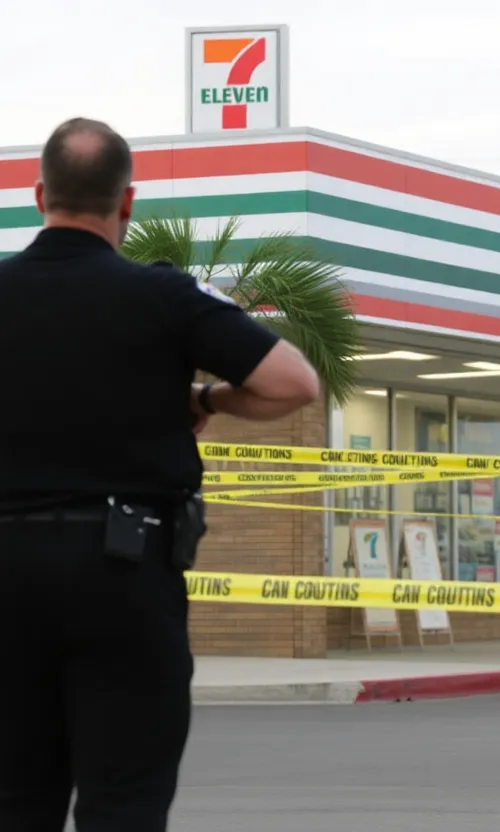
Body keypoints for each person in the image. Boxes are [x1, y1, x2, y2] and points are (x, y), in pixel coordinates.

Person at [0, 117, 320, 832]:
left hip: (7, 577)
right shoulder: (164, 297)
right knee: (125, 803)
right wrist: (204, 398)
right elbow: (293, 384)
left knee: (15, 801)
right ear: (128, 202)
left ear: (37, 193)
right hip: (124, 575)